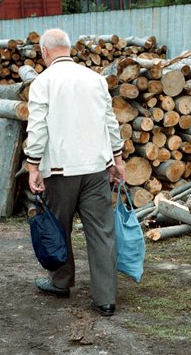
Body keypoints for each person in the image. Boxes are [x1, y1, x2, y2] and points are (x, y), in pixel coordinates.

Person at [25, 28, 126, 317]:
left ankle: (61, 282)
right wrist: (117, 160)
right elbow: (110, 122)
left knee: (59, 227)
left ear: (44, 52)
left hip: (59, 170)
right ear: (68, 48)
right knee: (102, 233)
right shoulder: (95, 79)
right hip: (96, 168)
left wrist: (33, 166)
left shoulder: (42, 83)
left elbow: (38, 128)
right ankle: (105, 298)